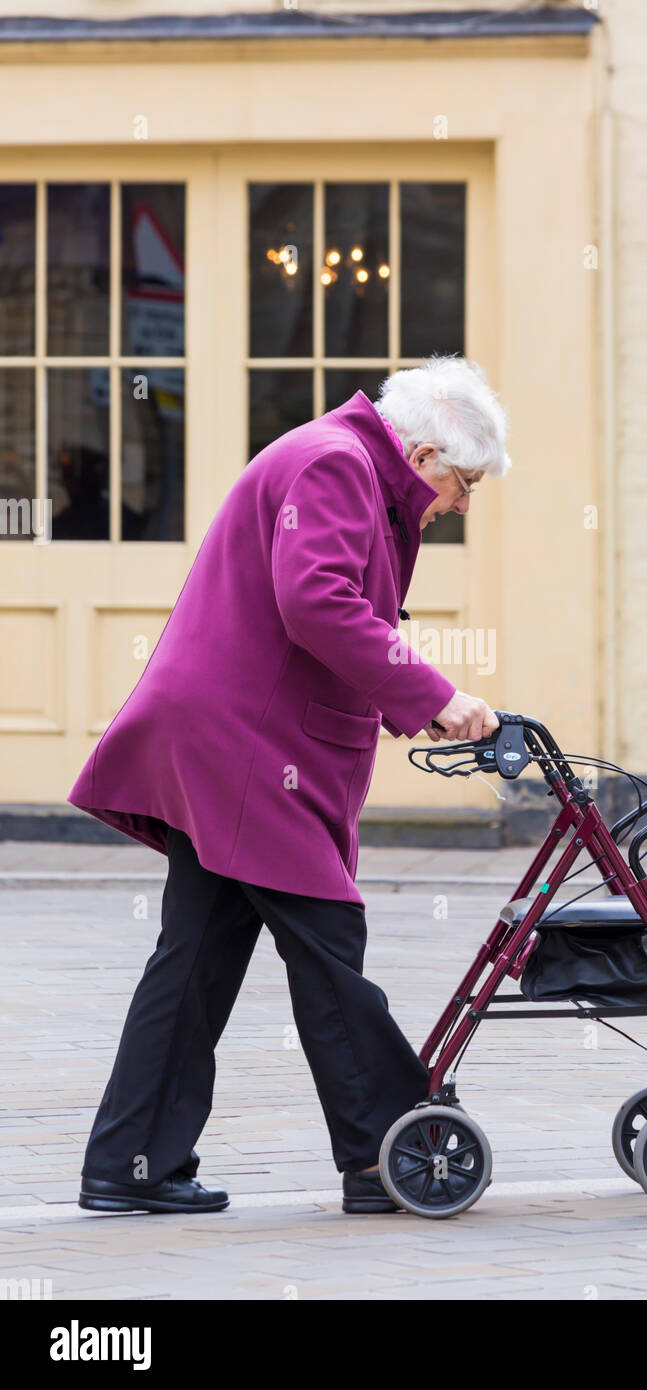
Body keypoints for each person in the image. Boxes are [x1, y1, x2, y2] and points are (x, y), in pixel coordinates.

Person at [69, 354, 511, 1216]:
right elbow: (316, 600)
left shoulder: (342, 462)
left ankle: (130, 1165)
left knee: (195, 956)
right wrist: (438, 697)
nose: (461, 504)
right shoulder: (336, 463)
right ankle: (390, 1153)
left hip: (230, 737)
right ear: (422, 458)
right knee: (325, 940)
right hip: (246, 746)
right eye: (462, 483)